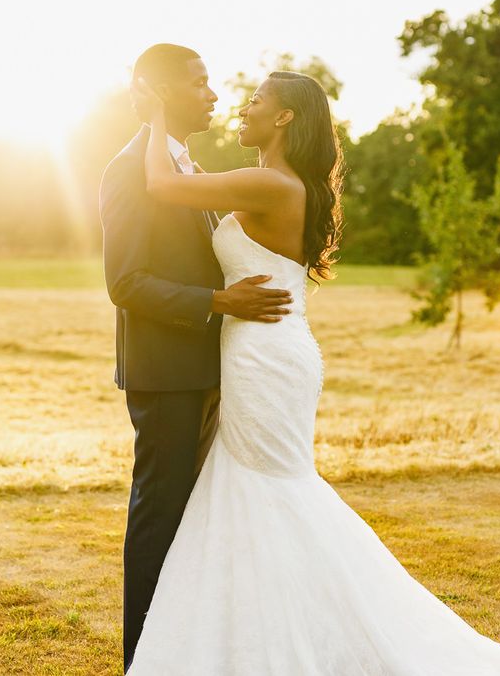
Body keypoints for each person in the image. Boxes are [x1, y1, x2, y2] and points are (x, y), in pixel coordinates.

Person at [124, 61, 500, 674]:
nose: (244, 107)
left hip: (265, 355)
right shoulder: (274, 181)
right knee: (258, 489)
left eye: (257, 100)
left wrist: (157, 110)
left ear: (285, 116)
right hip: (267, 347)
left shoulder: (271, 185)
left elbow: (162, 185)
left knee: (271, 491)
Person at [98, 43, 294, 674]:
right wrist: (218, 300)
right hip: (166, 375)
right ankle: (143, 660)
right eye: (199, 83)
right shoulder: (129, 170)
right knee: (160, 519)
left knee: (194, 520)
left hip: (207, 371)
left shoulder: (187, 166)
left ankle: (185, 652)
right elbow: (125, 282)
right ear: (158, 94)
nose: (213, 94)